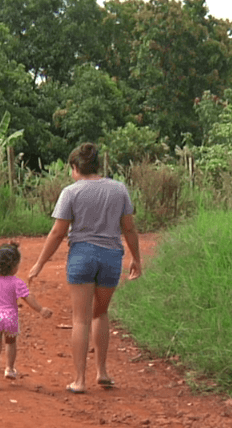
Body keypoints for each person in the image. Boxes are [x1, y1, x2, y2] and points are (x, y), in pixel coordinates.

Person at [28, 142, 142, 394]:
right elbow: (129, 228)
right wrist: (137, 258)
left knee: (80, 320)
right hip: (112, 256)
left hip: (82, 256)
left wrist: (39, 263)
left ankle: (79, 380)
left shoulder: (71, 192)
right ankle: (102, 371)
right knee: (100, 313)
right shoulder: (119, 189)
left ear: (75, 167)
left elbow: (58, 232)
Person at [0, 242, 54, 390]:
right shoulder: (17, 282)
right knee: (10, 343)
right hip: (11, 318)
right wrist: (41, 310)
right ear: (13, 266)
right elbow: (29, 298)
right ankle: (9, 368)